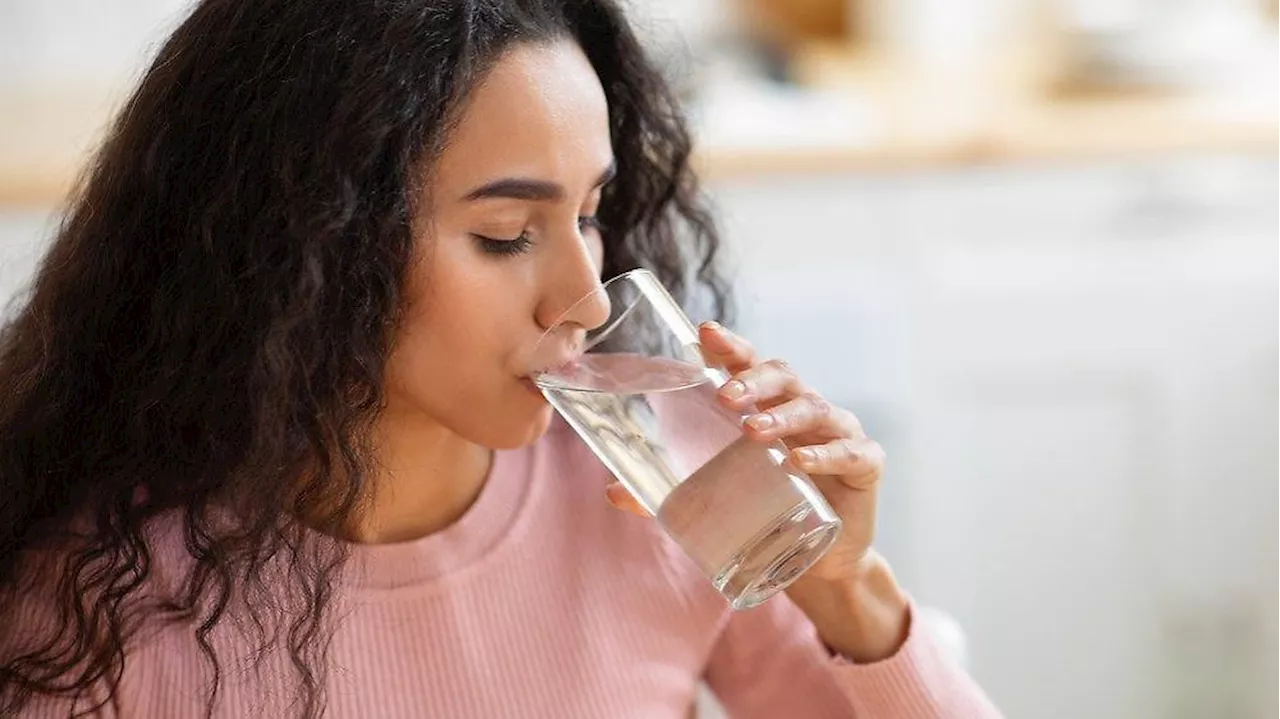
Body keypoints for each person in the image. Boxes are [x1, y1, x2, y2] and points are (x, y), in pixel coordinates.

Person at [0, 0, 1002, 716]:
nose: (581, 294)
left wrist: (848, 591)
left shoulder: (666, 494)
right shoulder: (96, 601)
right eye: (504, 234)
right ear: (302, 242)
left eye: (588, 214)